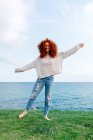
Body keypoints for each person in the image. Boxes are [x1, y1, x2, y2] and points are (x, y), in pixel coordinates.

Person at [15, 38, 84, 120]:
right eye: (45, 46)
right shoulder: (39, 58)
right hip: (40, 80)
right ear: (42, 47)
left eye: (48, 45)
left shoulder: (57, 55)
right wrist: (18, 70)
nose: (46, 47)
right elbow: (29, 65)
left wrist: (78, 46)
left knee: (48, 98)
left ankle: (45, 115)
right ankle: (26, 111)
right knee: (33, 95)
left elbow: (68, 52)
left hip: (50, 79)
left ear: (51, 46)